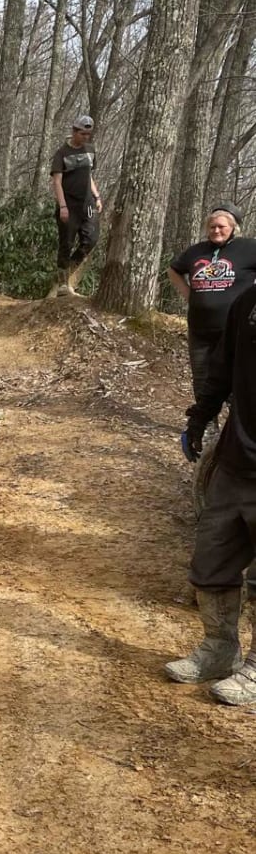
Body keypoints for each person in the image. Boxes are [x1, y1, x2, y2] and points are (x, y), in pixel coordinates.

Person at [168, 277, 256, 703]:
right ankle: (219, 651)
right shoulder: (248, 303)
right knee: (212, 557)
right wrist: (199, 418)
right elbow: (221, 369)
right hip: (236, 460)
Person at [167, 205, 256, 402]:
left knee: (236, 383)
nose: (216, 230)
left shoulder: (249, 248)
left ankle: (237, 429)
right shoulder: (196, 251)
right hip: (200, 331)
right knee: (202, 383)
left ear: (233, 228)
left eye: (221, 226)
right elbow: (173, 271)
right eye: (212, 226)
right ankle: (206, 427)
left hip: (235, 331)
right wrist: (189, 295)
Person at [50, 115, 102, 295]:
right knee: (67, 243)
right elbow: (57, 182)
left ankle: (67, 274)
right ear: (74, 131)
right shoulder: (62, 153)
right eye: (82, 133)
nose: (85, 137)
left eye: (88, 134)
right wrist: (62, 206)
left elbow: (89, 176)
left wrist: (97, 196)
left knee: (91, 239)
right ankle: (63, 285)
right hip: (69, 205)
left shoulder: (90, 150)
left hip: (87, 203)